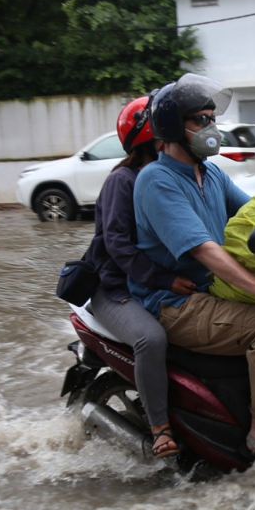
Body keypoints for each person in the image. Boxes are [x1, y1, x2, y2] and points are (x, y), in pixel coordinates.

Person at [129, 74, 255, 456]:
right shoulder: (157, 180)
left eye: (211, 119)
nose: (210, 128)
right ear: (172, 128)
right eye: (200, 120)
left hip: (216, 289)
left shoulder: (211, 172)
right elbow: (202, 249)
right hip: (177, 303)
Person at [84, 95, 196, 460]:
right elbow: (117, 244)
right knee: (151, 339)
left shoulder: (173, 176)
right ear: (154, 135)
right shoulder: (123, 181)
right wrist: (162, 279)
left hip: (154, 283)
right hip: (115, 290)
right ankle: (160, 426)